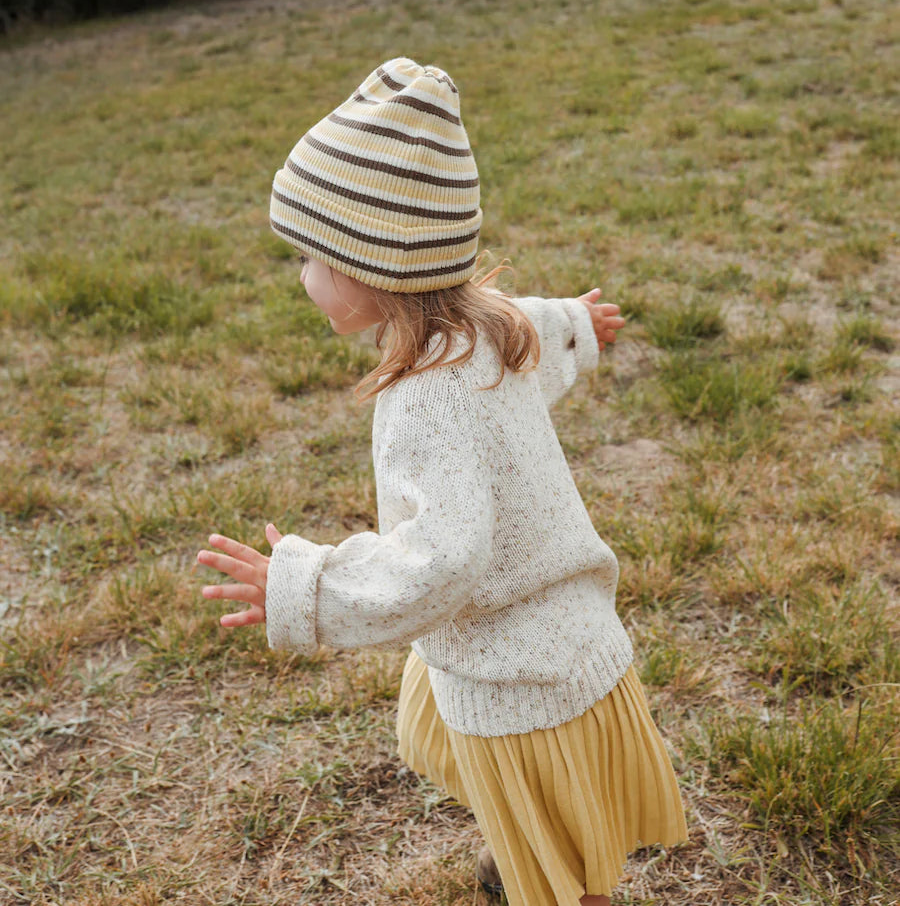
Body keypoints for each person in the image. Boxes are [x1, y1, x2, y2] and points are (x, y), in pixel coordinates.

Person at [196, 57, 688, 906]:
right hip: (560, 636)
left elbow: (442, 562)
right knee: (530, 813)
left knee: (570, 881)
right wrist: (572, 322)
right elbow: (526, 321)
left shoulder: (424, 399)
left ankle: (545, 868)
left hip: (518, 676)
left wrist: (305, 586)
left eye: (313, 257)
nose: (302, 278)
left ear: (375, 264)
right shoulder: (480, 325)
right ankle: (521, 843)